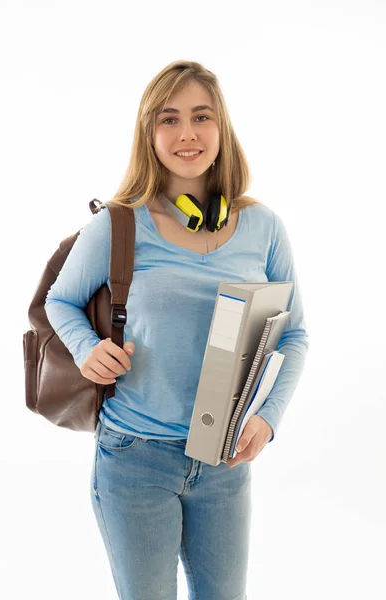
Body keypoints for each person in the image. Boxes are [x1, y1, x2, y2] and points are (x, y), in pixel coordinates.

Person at [45, 60, 309, 600]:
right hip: (135, 458)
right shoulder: (119, 223)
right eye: (169, 119)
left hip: (224, 459)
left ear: (221, 128)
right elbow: (61, 300)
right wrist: (86, 348)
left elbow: (295, 334)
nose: (187, 133)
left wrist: (268, 418)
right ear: (150, 133)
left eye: (201, 116)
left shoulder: (263, 227)